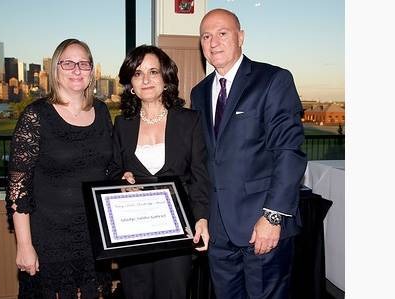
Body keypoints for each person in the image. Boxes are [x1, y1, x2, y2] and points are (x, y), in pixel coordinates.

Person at [189, 9, 307, 298]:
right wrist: (202, 216)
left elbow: (289, 152)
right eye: (206, 36)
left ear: (241, 37)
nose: (213, 42)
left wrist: (273, 217)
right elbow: (203, 161)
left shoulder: (273, 80)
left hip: (262, 227)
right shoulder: (199, 93)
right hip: (218, 233)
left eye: (222, 33)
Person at [6, 38, 116, 299]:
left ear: (92, 72)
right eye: (68, 63)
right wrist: (24, 245)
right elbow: (19, 188)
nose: (77, 70)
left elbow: (108, 168)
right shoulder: (36, 115)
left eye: (83, 64)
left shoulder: (101, 112)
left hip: (92, 237)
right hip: (49, 238)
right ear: (55, 70)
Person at [112, 45, 212, 299]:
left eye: (153, 71)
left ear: (166, 79)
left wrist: (201, 218)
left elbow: (201, 176)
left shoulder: (190, 120)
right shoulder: (122, 124)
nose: (146, 79)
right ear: (130, 84)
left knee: (174, 292)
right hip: (134, 232)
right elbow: (113, 169)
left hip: (178, 230)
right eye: (138, 73)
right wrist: (121, 179)